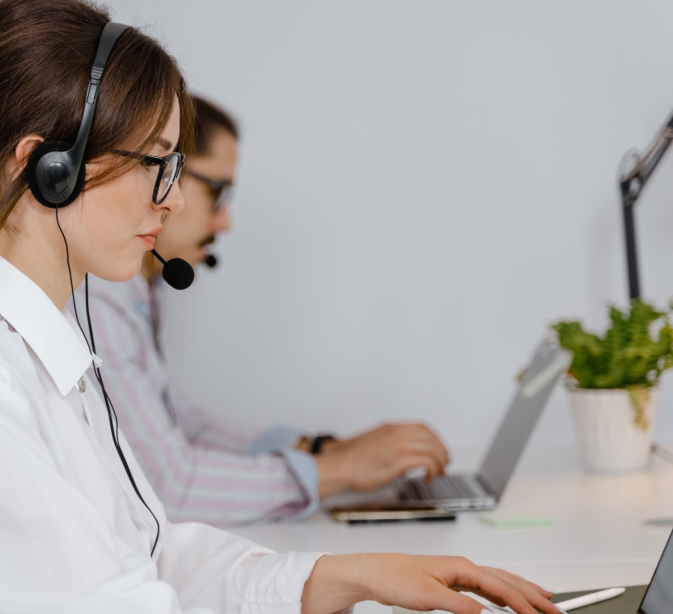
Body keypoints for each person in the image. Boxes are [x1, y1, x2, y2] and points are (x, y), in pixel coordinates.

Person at [0, 2, 560, 613]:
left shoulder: (37, 345)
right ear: (44, 170)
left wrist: (344, 574)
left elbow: (152, 552)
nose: (173, 199)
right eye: (156, 164)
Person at [78, 96, 451, 526]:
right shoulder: (96, 296)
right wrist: (339, 470)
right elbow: (169, 486)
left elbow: (186, 424)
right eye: (216, 192)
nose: (225, 223)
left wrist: (320, 451)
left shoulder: (131, 292)